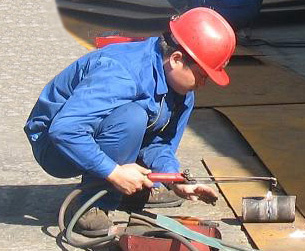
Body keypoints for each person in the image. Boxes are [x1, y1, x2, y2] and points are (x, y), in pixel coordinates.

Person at [24, 8, 236, 235]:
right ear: (176, 59)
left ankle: (127, 191)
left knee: (137, 118)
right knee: (132, 117)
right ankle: (91, 204)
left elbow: (160, 144)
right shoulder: (122, 72)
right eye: (202, 75)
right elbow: (65, 130)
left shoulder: (182, 92)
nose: (202, 84)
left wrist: (174, 179)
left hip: (87, 135)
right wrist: (114, 173)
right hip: (54, 147)